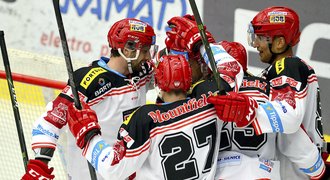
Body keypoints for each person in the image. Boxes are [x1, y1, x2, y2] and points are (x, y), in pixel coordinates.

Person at [64, 54, 243, 179]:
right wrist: (201, 43)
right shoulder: (210, 102)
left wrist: (89, 137)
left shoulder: (144, 118)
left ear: (158, 82)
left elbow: (113, 169)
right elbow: (233, 70)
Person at [22, 18, 158, 180]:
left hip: (126, 172)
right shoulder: (90, 81)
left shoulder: (142, 72)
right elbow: (51, 121)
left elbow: (167, 74)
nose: (148, 56)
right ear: (128, 50)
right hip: (88, 174)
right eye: (144, 51)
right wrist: (40, 164)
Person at [208, 6, 327, 179]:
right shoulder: (283, 70)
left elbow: (290, 133)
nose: (255, 44)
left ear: (279, 43)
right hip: (303, 166)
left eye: (261, 38)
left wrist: (318, 170)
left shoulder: (286, 66)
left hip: (295, 171)